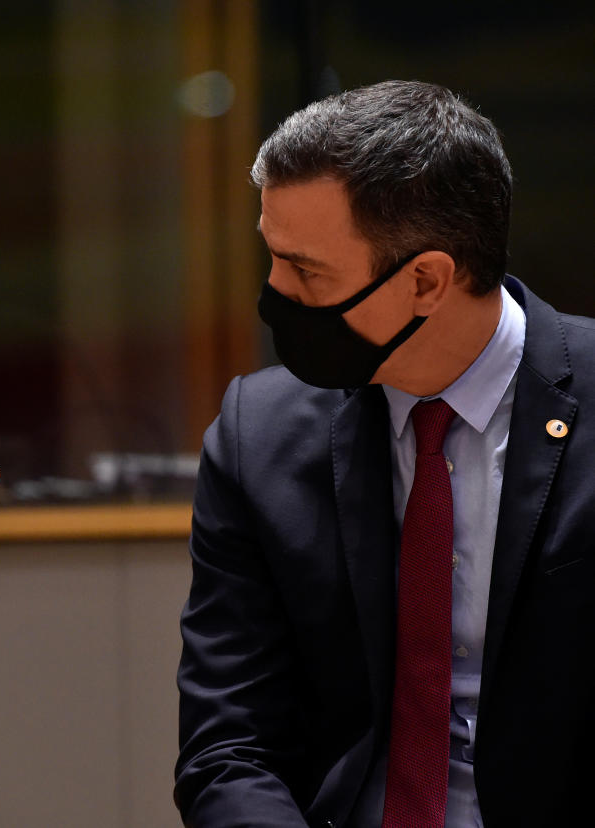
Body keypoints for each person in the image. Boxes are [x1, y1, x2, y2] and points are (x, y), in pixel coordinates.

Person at [175, 80, 595, 827]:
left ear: (427, 280)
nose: (273, 291)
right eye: (271, 257)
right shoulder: (260, 433)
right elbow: (229, 745)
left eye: (306, 271)